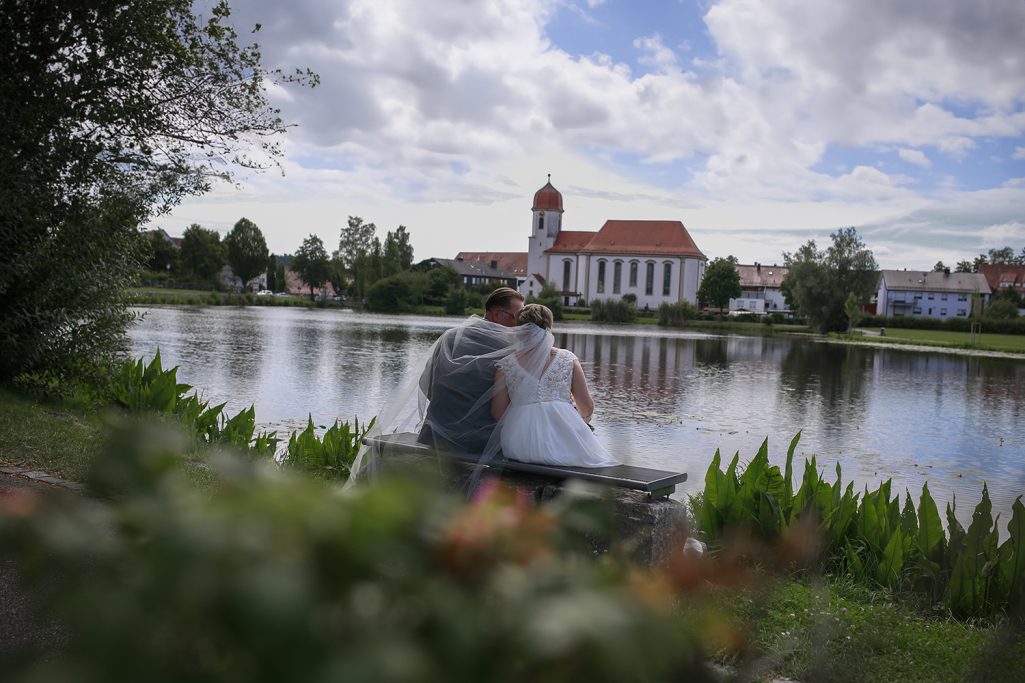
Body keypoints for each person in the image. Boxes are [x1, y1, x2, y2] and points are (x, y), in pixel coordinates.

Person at [489, 303, 618, 468]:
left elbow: (497, 413)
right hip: (565, 447)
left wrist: (523, 420)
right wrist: (581, 425)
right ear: (549, 326)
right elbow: (586, 405)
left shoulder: (506, 365)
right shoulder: (567, 359)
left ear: (520, 329)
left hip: (520, 447)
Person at [416, 287, 524, 453]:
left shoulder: (450, 337)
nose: (519, 325)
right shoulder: (509, 349)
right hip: (479, 442)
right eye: (516, 317)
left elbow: (426, 385)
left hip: (434, 433)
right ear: (496, 314)